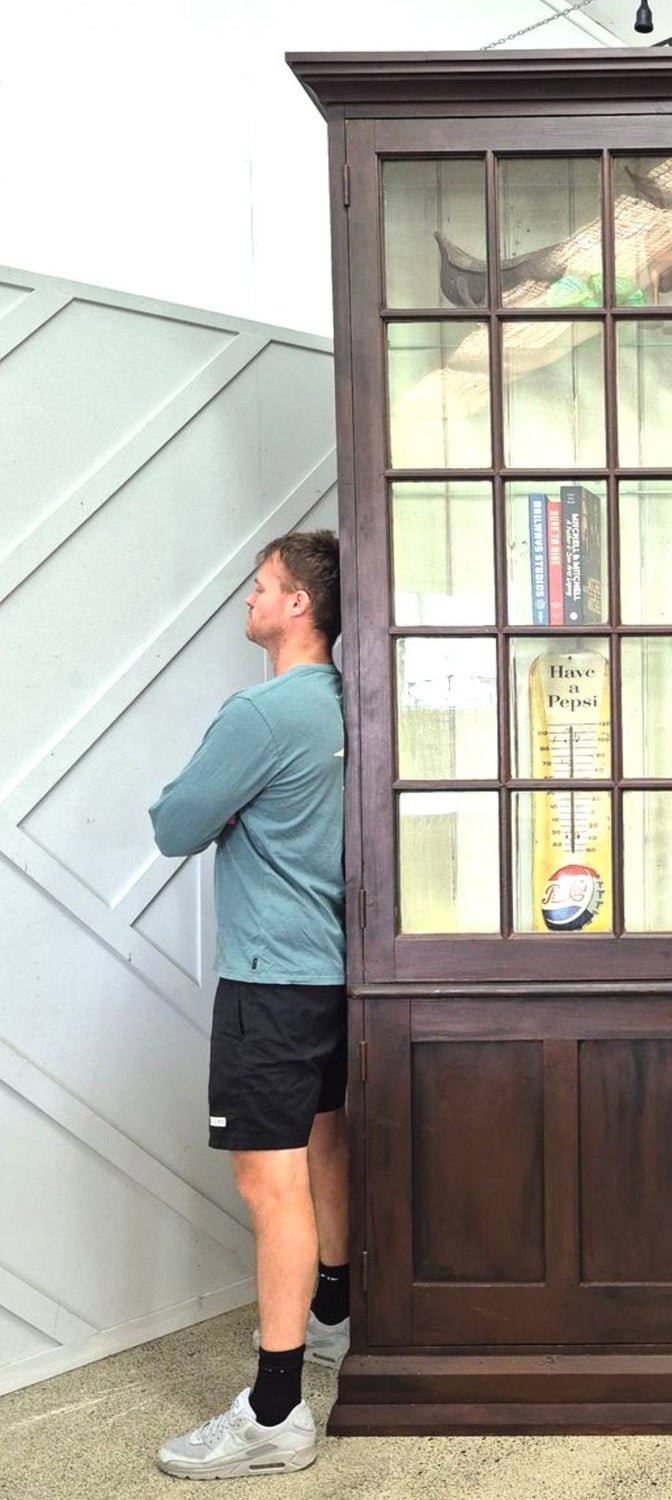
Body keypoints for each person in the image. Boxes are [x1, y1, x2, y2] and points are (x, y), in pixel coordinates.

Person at [149, 531, 348, 1479]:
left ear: (299, 603)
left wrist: (229, 807)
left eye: (261, 585)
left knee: (271, 1185)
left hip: (271, 980)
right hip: (345, 974)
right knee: (325, 1144)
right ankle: (334, 1314)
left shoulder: (263, 713)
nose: (249, 599)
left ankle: (274, 1413)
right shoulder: (353, 703)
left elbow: (174, 823)